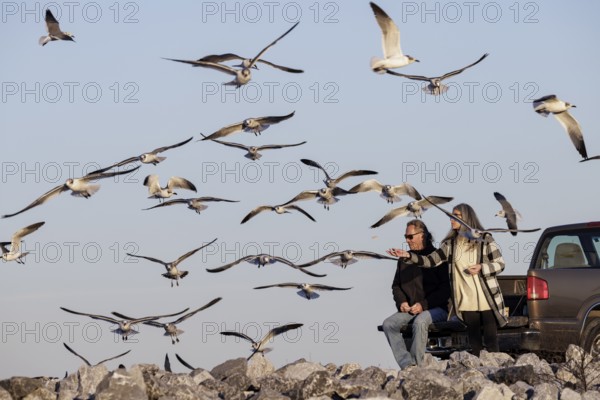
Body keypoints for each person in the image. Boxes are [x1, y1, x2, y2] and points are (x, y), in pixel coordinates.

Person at [389, 203, 508, 356]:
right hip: (466, 299)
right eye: (450, 216)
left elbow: (500, 264)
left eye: (455, 216)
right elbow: (430, 261)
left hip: (486, 297)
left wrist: (482, 268)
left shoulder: (484, 238)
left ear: (466, 217)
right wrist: (408, 256)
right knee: (475, 342)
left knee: (491, 340)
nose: (451, 219)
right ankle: (481, 373)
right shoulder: (450, 244)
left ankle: (497, 373)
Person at [382, 219, 450, 369]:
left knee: (420, 321)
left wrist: (423, 305)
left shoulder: (436, 257)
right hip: (411, 310)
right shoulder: (404, 259)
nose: (407, 240)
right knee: (388, 324)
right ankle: (407, 365)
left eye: (410, 237)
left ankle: (417, 366)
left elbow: (446, 289)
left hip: (436, 309)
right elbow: (396, 286)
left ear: (422, 235)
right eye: (405, 237)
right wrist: (402, 303)